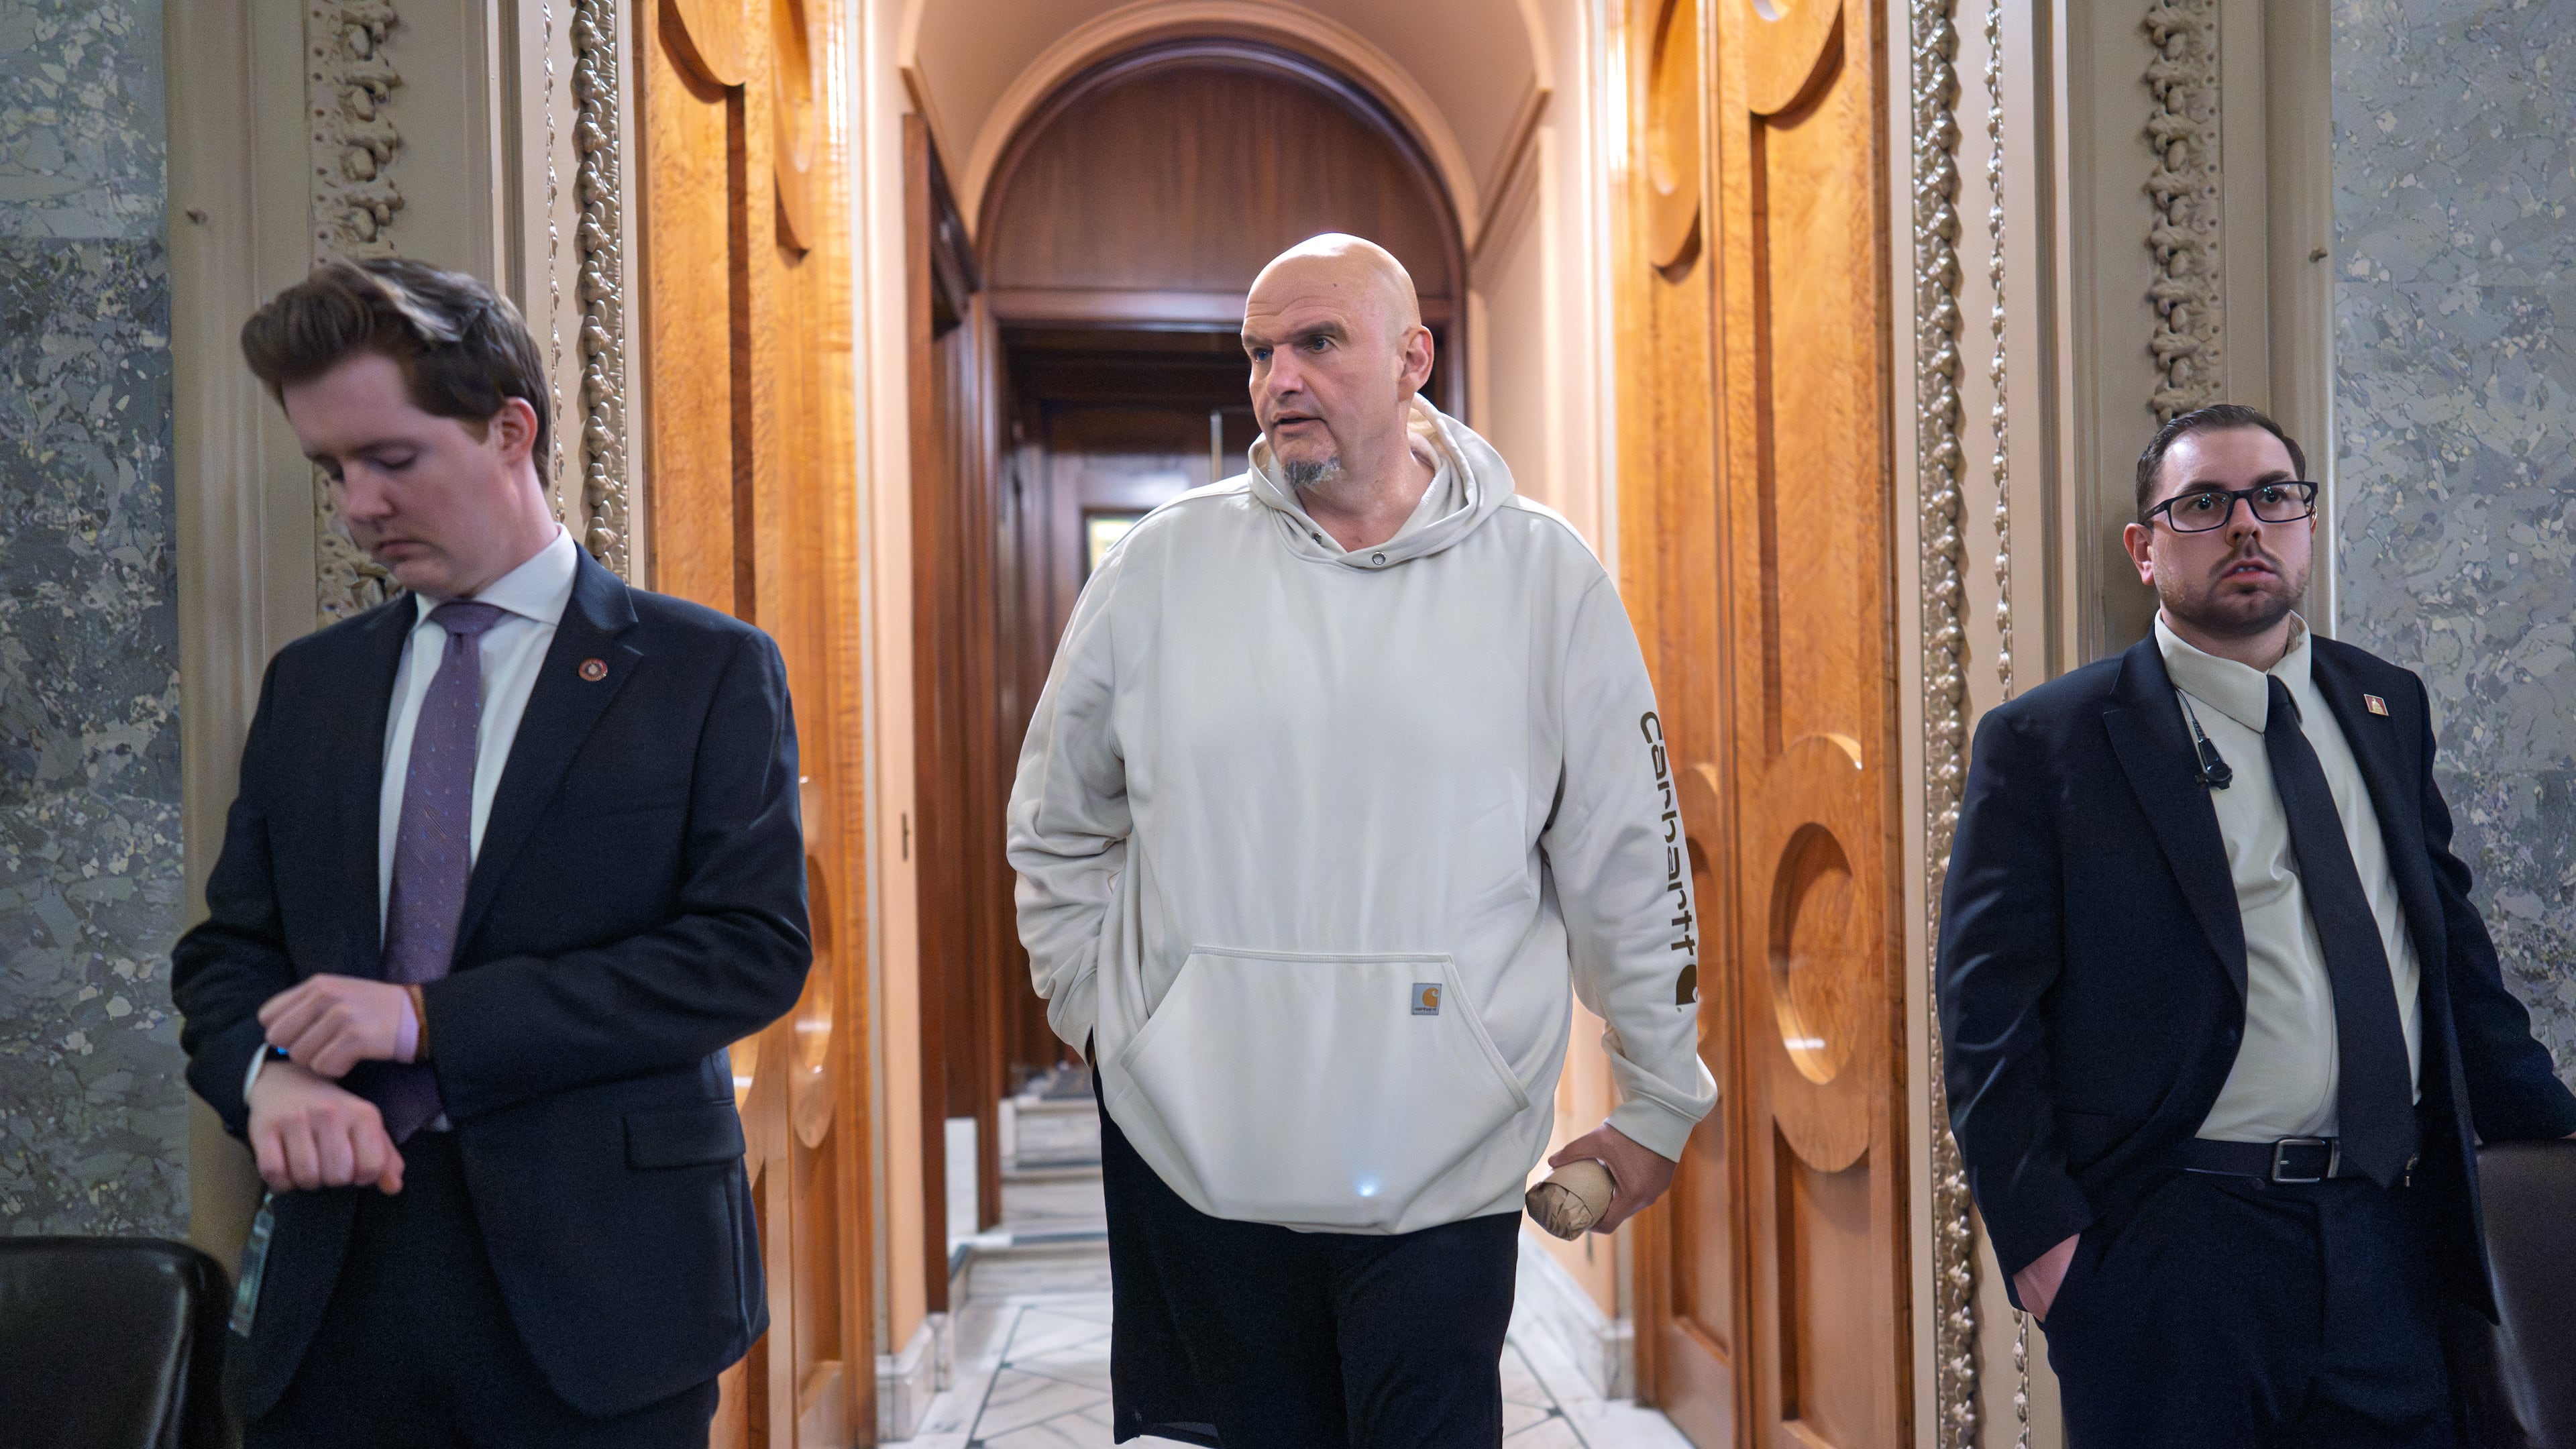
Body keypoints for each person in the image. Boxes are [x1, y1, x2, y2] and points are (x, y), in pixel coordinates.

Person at [1006, 233, 1717, 1446]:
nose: (1278, 378)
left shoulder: (1544, 578)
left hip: (1443, 1165)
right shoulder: (1162, 567)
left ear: (1411, 360)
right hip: (1197, 1152)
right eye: (1258, 353)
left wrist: (1659, 1097)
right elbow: (1058, 824)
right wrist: (1112, 1023)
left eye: (1318, 342)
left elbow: (1627, 865)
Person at [170, 258, 810, 1448]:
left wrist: (428, 1020)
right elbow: (228, 955)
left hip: (606, 1297)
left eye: (392, 460)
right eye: (334, 471)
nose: (359, 506)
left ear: (511, 431)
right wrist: (266, 1078)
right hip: (336, 1294)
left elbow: (748, 955)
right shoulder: (312, 686)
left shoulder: (704, 671)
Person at [1939, 402, 2576, 1446]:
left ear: (2307, 525)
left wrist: (2549, 1121)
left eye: (2273, 498)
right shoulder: (2050, 743)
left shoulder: (2383, 704)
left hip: (2386, 1237)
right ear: (2145, 549)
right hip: (2175, 1249)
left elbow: (2447, 945)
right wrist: (2050, 1253)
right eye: (2204, 505)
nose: (2246, 526)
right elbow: (1986, 1022)